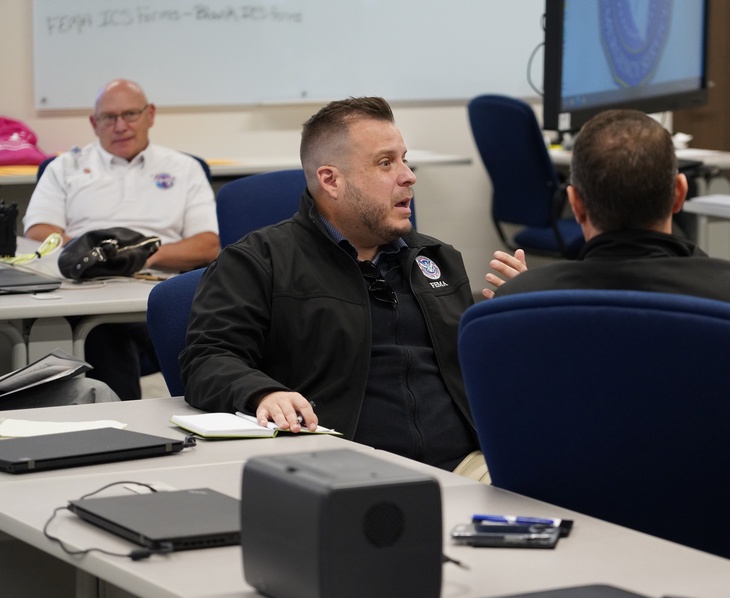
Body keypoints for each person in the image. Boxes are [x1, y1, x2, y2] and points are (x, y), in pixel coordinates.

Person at [484, 109, 730, 595]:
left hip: (572, 560)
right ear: (681, 194)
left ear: (576, 204)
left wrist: (533, 296)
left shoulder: (516, 309)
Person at [180, 96, 478, 472]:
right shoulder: (259, 261)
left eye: (404, 158)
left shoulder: (437, 259)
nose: (408, 175)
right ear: (331, 180)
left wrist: (511, 317)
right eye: (386, 163)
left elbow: (476, 372)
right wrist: (263, 392)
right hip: (339, 467)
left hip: (468, 466)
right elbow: (207, 359)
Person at [22, 79, 220, 400]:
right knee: (102, 328)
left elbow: (207, 244)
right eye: (108, 117)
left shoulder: (184, 168)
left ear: (150, 115)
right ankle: (123, 414)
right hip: (85, 288)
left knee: (138, 327)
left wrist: (141, 256)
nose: (120, 126)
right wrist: (91, 252)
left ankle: (199, 400)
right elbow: (38, 231)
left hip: (157, 283)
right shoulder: (65, 167)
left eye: (130, 114)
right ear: (93, 123)